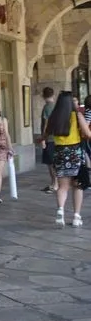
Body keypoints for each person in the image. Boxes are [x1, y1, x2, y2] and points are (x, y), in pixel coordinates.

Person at [47, 91, 91, 227]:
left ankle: (60, 210)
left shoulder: (54, 116)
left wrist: (42, 139)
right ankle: (76, 216)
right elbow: (88, 134)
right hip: (75, 153)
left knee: (63, 186)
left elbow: (46, 133)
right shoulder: (77, 116)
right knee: (78, 185)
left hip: (59, 152)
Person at [40, 87, 58, 194]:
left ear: (43, 95)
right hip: (56, 138)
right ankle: (54, 183)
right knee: (53, 162)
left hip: (49, 139)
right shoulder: (56, 106)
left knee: (51, 163)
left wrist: (43, 138)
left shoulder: (47, 107)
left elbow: (45, 124)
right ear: (53, 95)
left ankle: (55, 184)